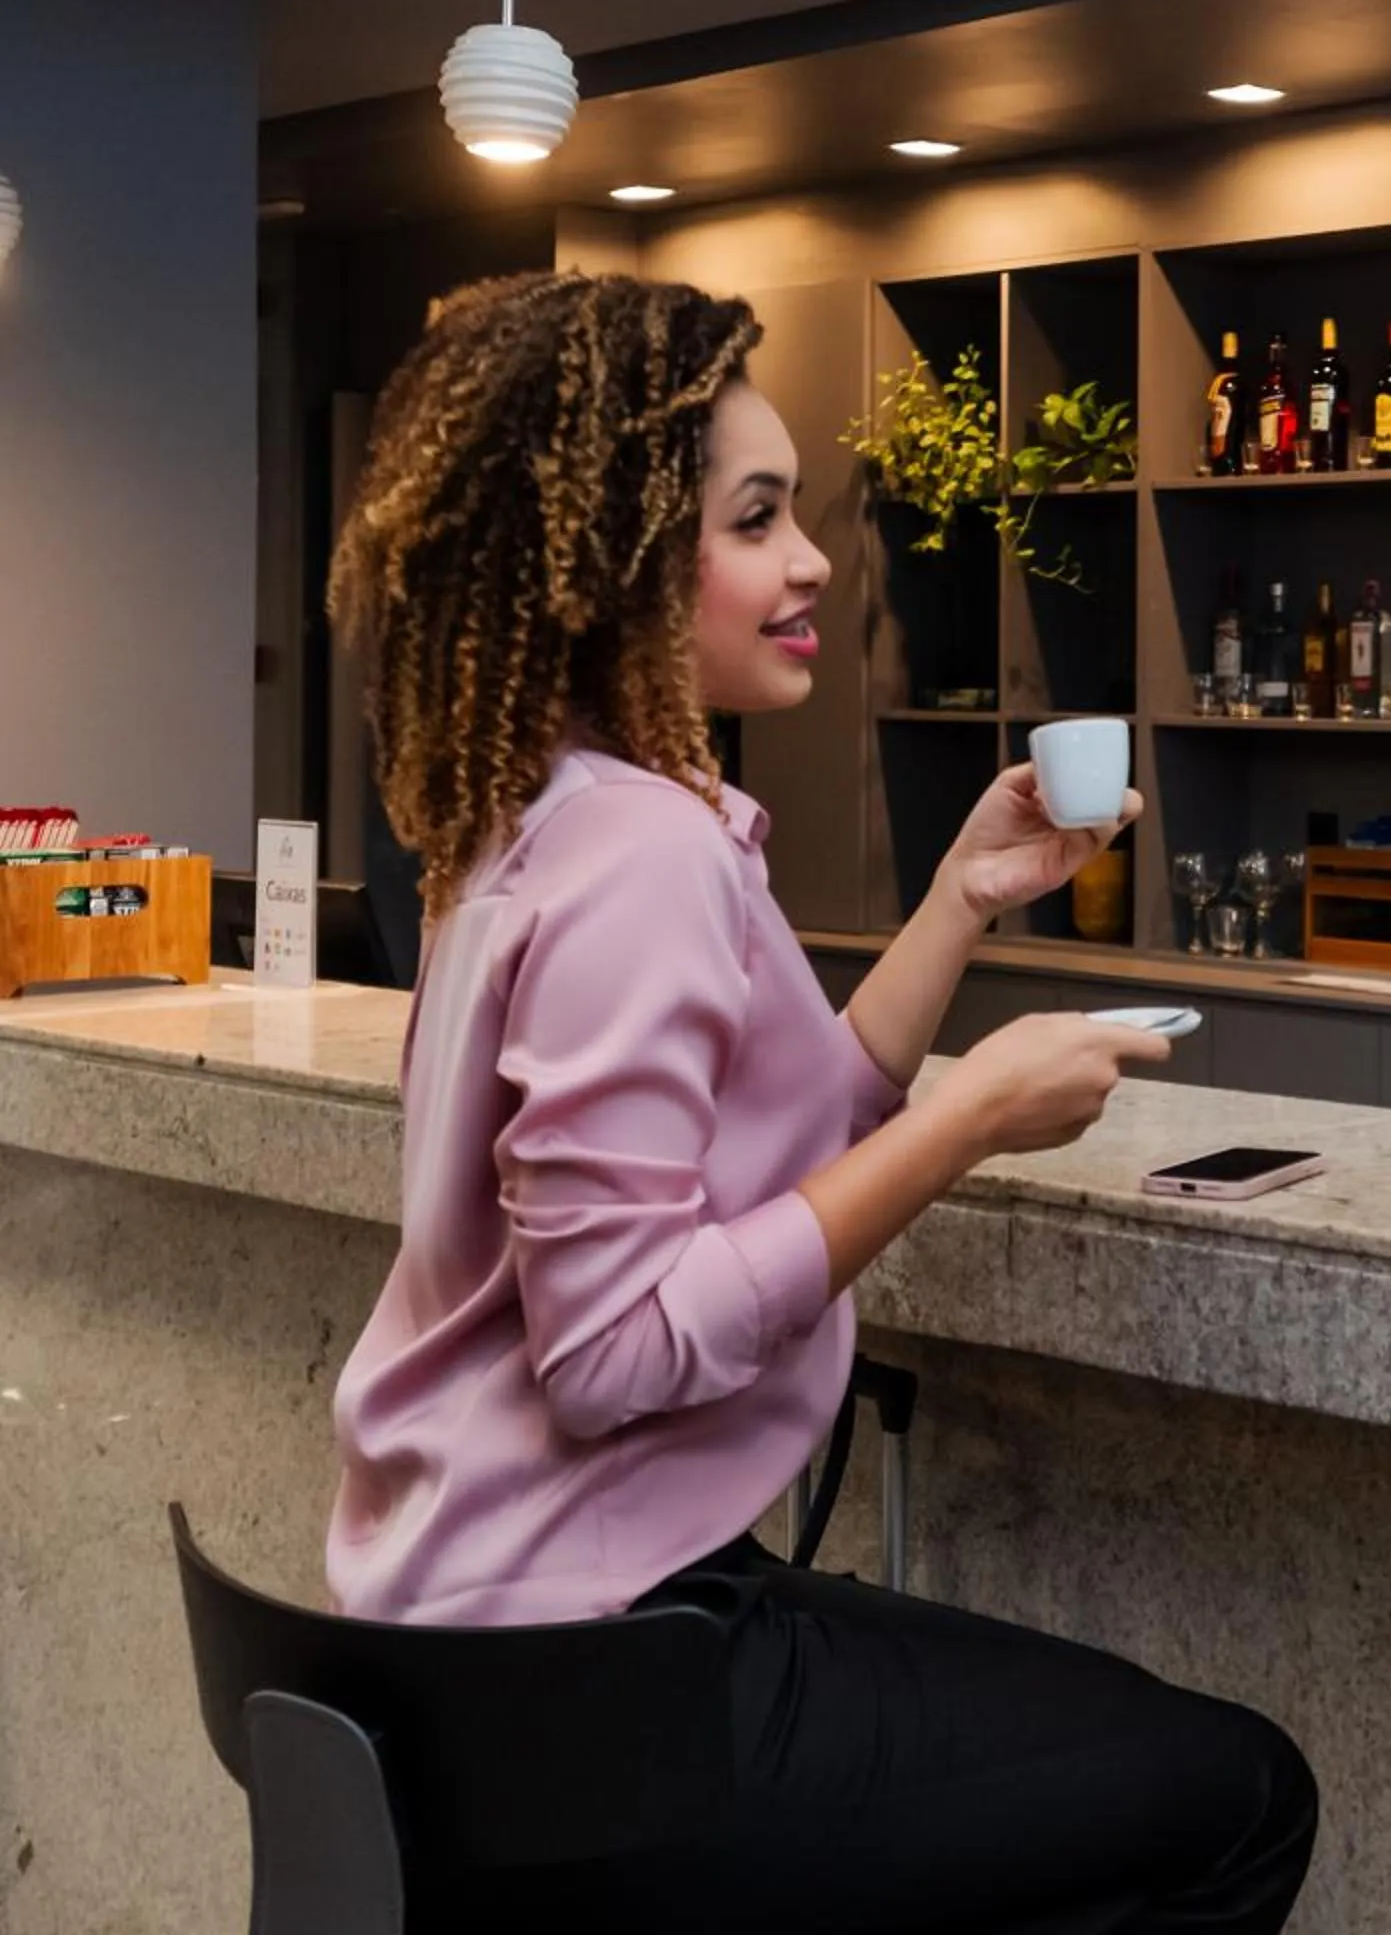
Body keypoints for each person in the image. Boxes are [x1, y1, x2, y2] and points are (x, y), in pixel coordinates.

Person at [322, 271, 1316, 1935]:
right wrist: (968, 1123)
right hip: (585, 1682)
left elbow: (785, 1125)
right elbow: (616, 1351)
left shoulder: (532, 822)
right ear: (618, 563)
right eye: (758, 520)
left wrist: (959, 907)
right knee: (1238, 1800)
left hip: (478, 1643)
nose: (809, 563)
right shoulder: (637, 857)